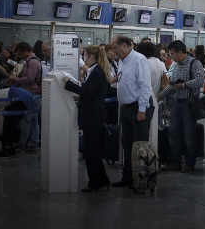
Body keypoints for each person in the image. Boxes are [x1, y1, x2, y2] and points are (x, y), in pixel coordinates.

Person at [64, 45, 111, 192]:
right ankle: (101, 181)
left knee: (92, 152)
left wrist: (68, 84)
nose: (84, 59)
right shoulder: (96, 71)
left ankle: (97, 182)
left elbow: (88, 92)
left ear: (91, 56)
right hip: (94, 116)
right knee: (93, 151)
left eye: (85, 56)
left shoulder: (96, 72)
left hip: (93, 117)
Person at [109, 35, 154, 187]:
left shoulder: (139, 60)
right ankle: (128, 177)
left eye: (115, 48)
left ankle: (142, 180)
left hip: (138, 108)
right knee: (127, 144)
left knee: (140, 146)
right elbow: (127, 83)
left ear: (124, 46)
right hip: (126, 108)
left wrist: (142, 110)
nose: (113, 51)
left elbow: (145, 86)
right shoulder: (122, 61)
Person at [159, 40, 205, 173]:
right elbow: (172, 84)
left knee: (189, 135)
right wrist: (161, 95)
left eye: (172, 54)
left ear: (180, 52)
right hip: (177, 103)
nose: (171, 56)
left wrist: (184, 85)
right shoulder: (176, 65)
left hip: (189, 103)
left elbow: (200, 80)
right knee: (173, 133)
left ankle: (190, 164)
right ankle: (175, 162)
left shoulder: (194, 63)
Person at [3, 42, 42, 154]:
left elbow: (30, 78)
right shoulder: (30, 61)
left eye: (20, 53)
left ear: (25, 50)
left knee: (26, 121)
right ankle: (32, 144)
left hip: (31, 94)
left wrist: (16, 80)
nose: (20, 56)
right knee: (33, 121)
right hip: (32, 93)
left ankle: (22, 145)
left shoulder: (32, 61)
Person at [136, 41, 167, 148]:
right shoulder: (160, 63)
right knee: (154, 133)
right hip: (156, 100)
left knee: (142, 135)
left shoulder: (143, 63)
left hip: (143, 103)